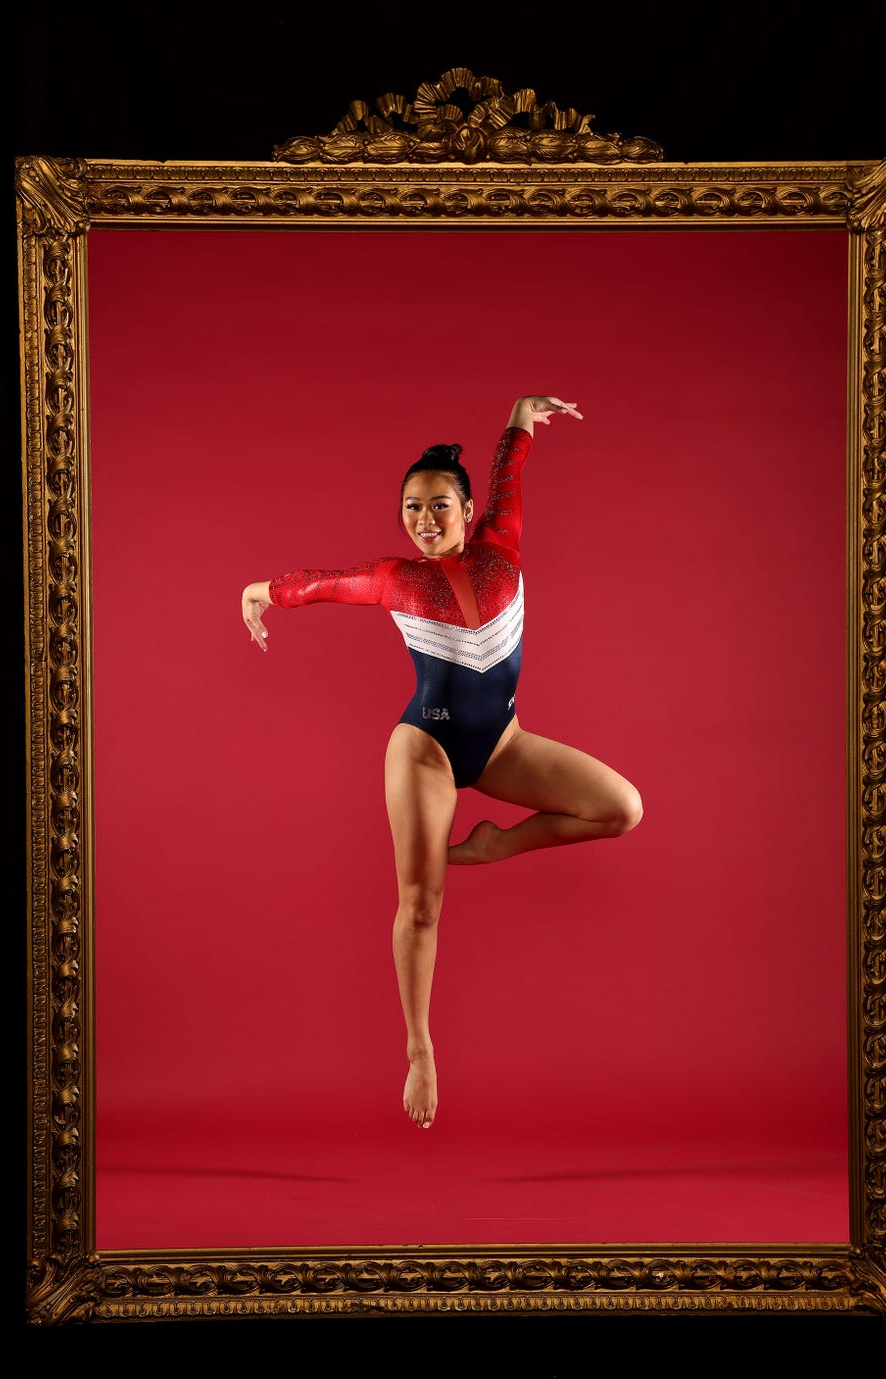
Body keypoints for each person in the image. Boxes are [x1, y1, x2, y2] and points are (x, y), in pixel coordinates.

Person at [241, 395, 643, 1129]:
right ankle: (420, 1047)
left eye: (437, 506)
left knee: (622, 807)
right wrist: (258, 591)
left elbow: (509, 474)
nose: (424, 520)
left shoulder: (503, 544)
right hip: (423, 746)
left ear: (464, 509)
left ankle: (493, 845)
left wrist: (522, 414)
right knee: (422, 904)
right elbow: (324, 583)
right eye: (410, 509)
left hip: (502, 742)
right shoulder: (398, 578)